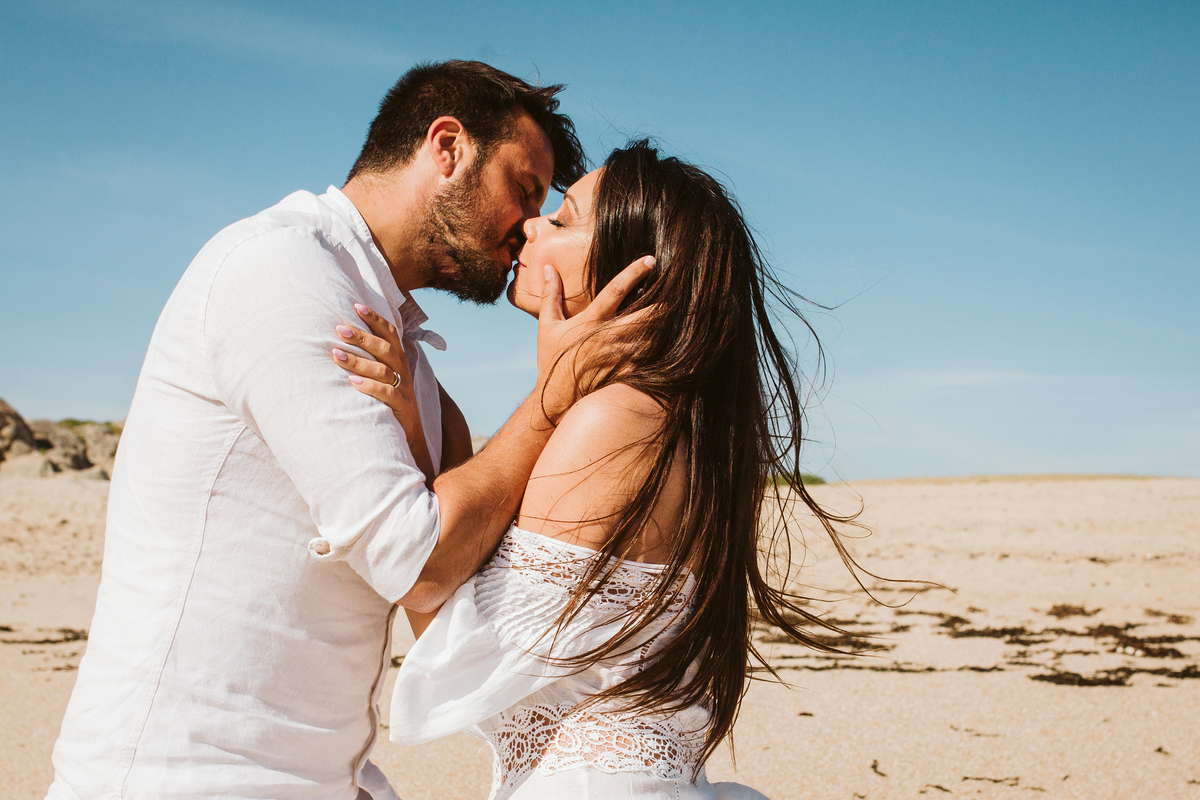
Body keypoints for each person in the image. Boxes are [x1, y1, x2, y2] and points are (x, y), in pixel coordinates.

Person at [46, 61, 652, 800]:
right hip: (183, 776)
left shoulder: (406, 361)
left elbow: (450, 589)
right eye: (524, 189)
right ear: (447, 146)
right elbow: (417, 560)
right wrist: (553, 397)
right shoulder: (284, 268)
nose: (529, 223)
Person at [335, 141, 862, 800]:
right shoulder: (678, 425)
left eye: (561, 221)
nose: (530, 225)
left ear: (630, 272)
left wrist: (413, 431)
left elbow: (448, 626)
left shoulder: (614, 420)